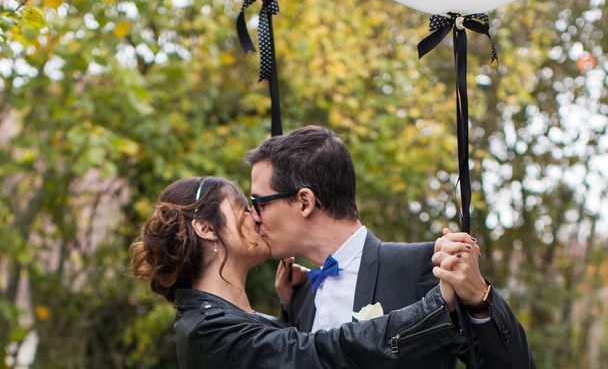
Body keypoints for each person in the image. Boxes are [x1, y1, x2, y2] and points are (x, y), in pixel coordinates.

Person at [245, 125, 536, 368]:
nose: (254, 217)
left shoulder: (420, 267)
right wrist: (288, 308)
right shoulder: (300, 293)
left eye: (259, 203)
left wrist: (479, 299)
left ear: (304, 202)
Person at [131, 176, 468, 369]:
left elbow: (273, 349)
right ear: (206, 228)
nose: (257, 217)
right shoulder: (206, 331)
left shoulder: (220, 320)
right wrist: (435, 306)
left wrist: (289, 309)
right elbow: (314, 353)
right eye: (243, 209)